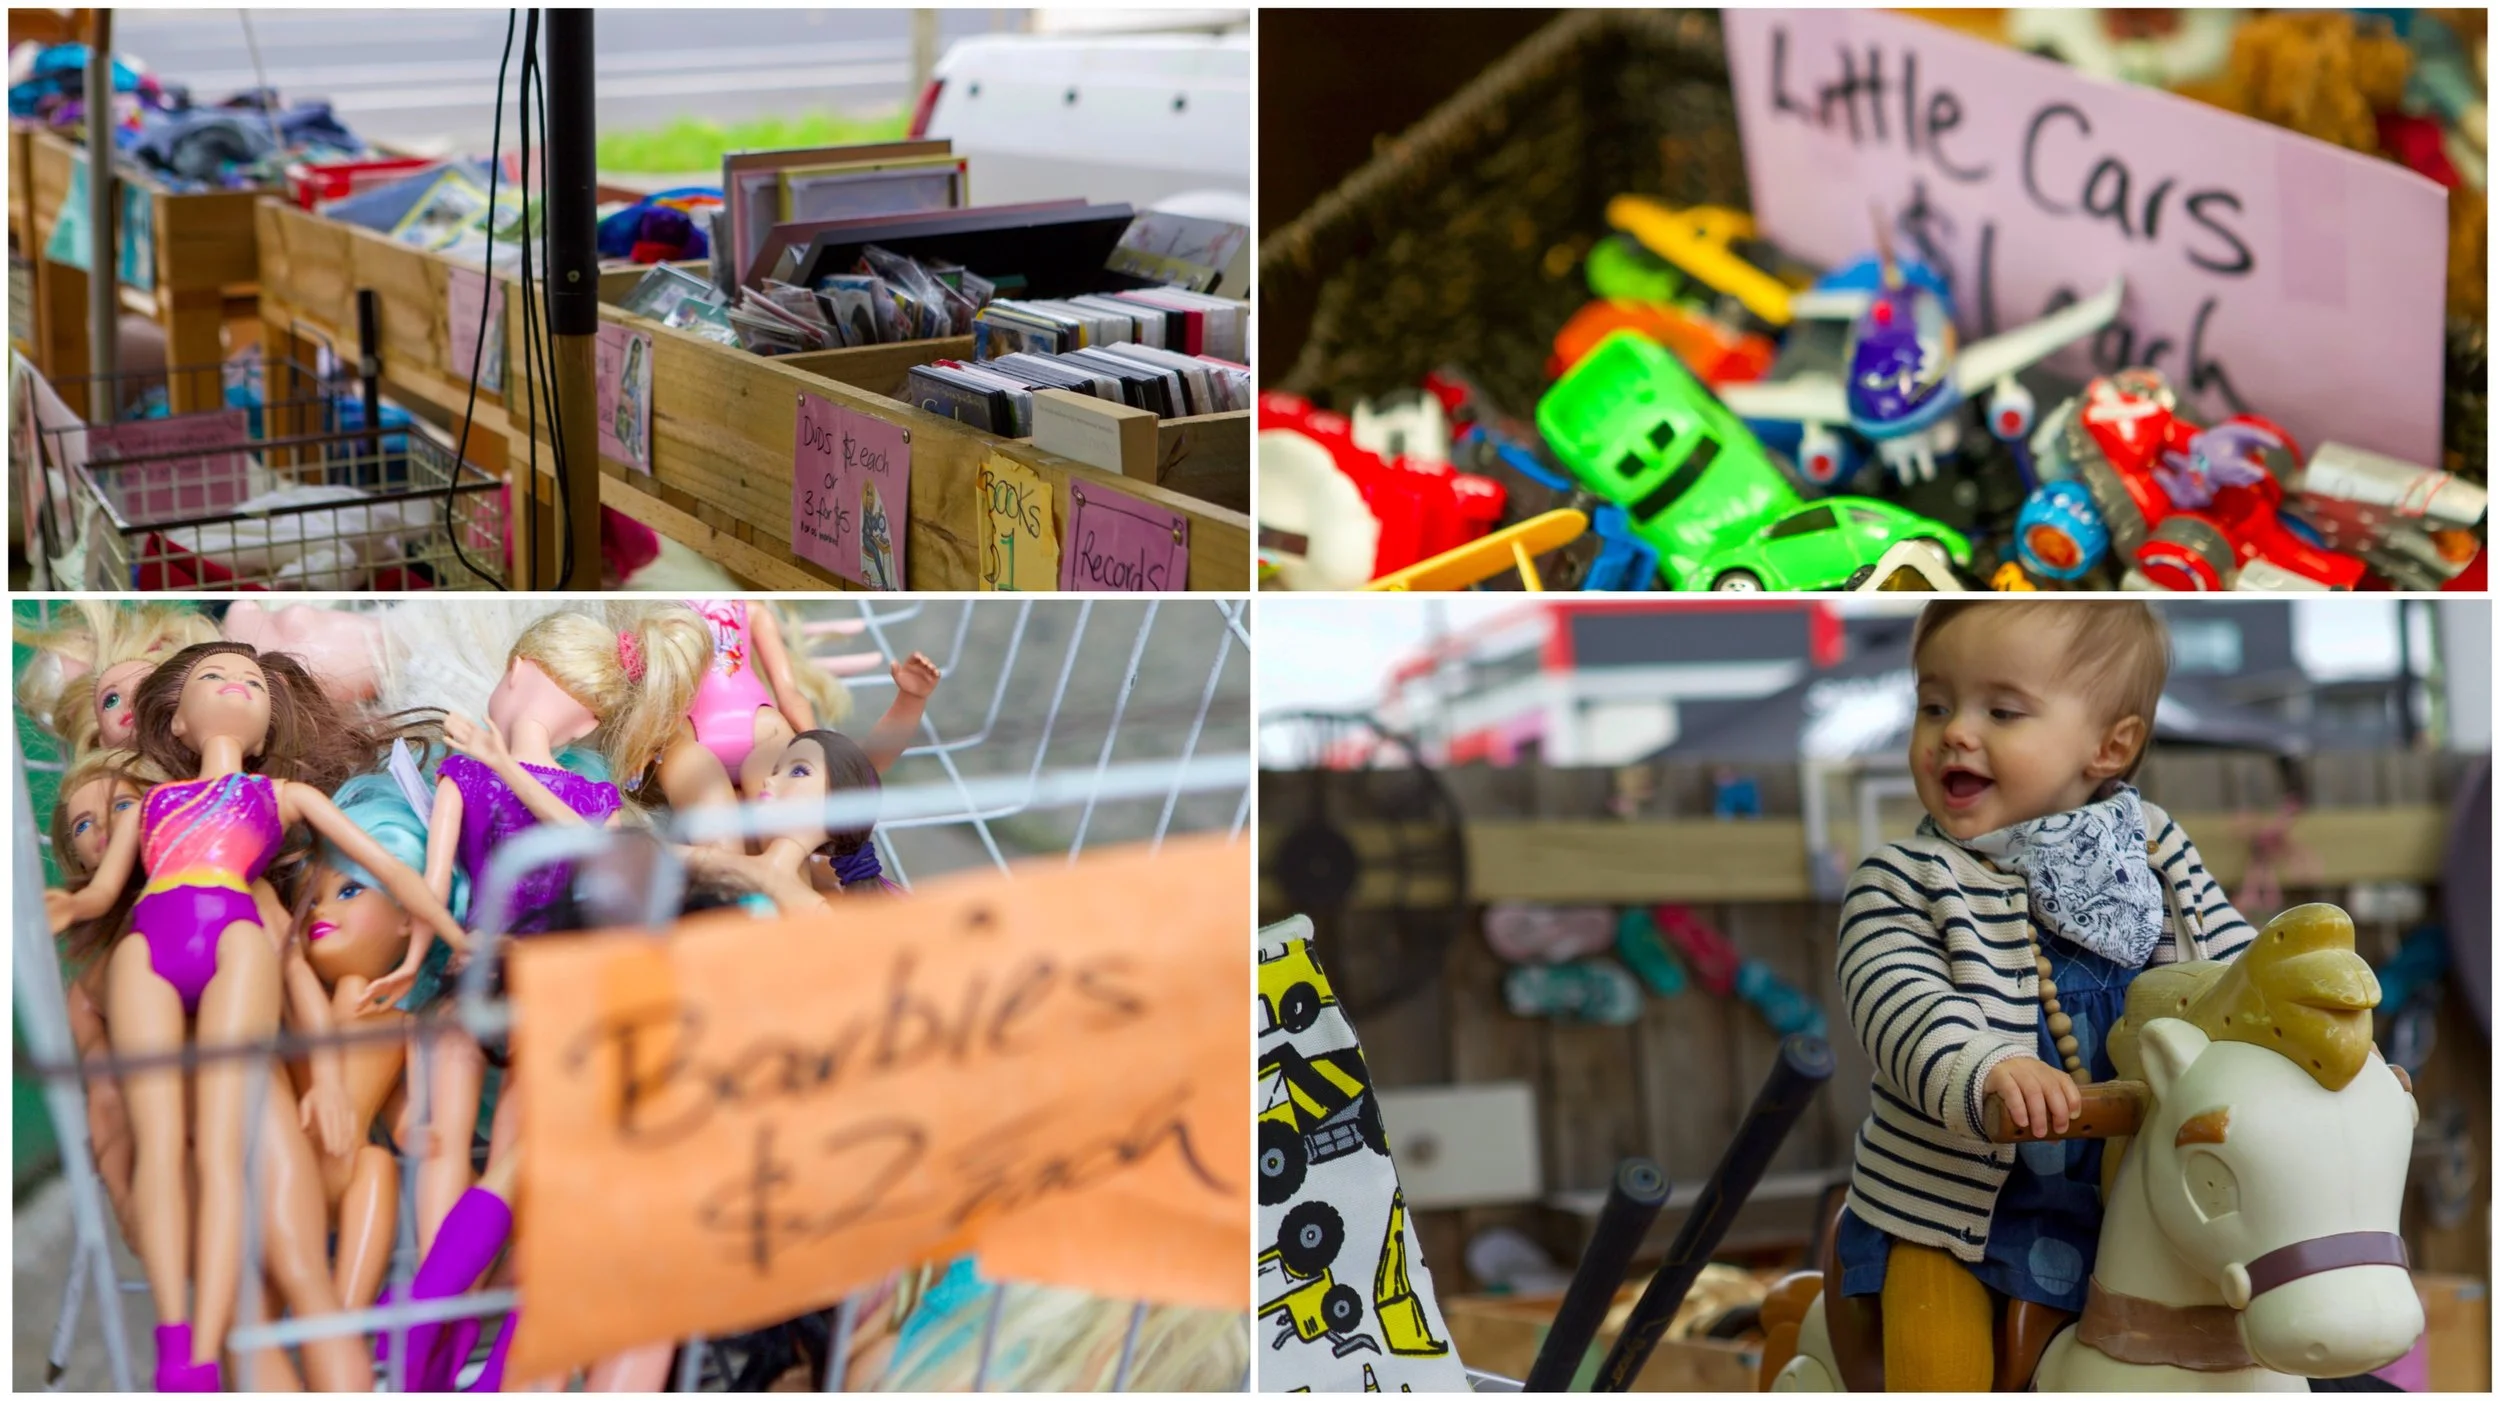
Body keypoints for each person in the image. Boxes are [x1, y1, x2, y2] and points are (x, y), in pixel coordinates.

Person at [1830, 600, 2256, 1391]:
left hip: (2137, 1201)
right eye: (1934, 704)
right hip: (1963, 1221)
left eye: (2001, 709)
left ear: (2110, 745)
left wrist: (2284, 1013)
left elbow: (2230, 955)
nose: (1955, 730)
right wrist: (1987, 1066)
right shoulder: (1908, 881)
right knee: (1944, 1369)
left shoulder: (2153, 846)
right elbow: (1899, 1000)